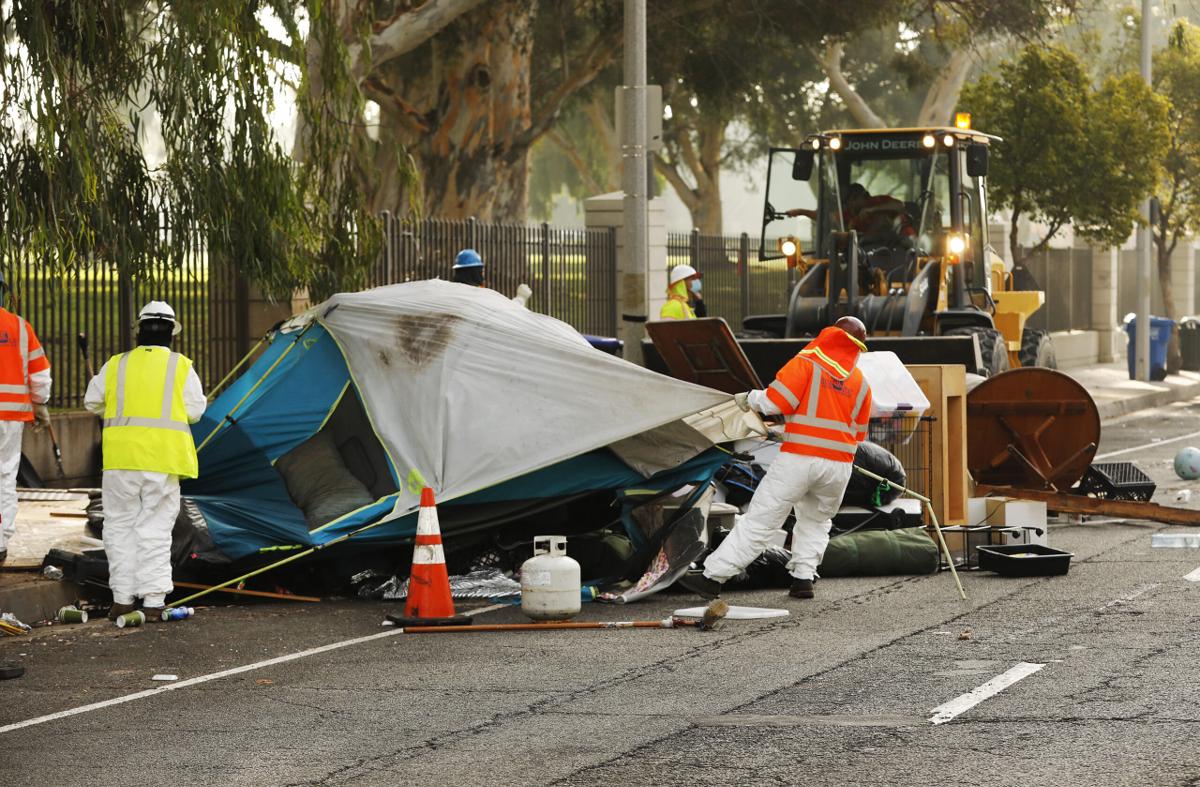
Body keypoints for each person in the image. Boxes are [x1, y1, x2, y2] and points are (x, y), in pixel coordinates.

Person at [681, 316, 872, 601]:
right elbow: (857, 434)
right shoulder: (861, 383)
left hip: (799, 460)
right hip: (839, 467)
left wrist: (748, 398)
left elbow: (775, 402)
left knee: (762, 519)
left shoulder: (807, 363)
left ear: (830, 334)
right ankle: (803, 579)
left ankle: (712, 577)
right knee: (816, 522)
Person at [85, 301, 206, 621]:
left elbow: (92, 401)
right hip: (162, 462)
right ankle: (153, 602)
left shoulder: (116, 365)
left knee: (119, 528)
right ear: (172, 333)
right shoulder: (181, 367)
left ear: (138, 332)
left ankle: (122, 599)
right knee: (155, 529)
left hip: (120, 463)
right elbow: (195, 411)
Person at [0, 301, 51, 564]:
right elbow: (40, 373)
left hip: (12, 415)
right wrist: (40, 403)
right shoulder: (19, 326)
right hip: (10, 417)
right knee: (5, 478)